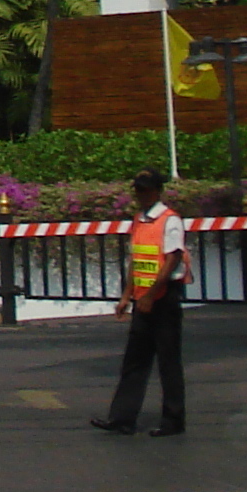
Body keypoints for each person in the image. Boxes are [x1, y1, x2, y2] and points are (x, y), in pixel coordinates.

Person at [92, 168, 187, 437]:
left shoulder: (170, 221)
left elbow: (173, 259)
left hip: (164, 297)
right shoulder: (140, 220)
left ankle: (173, 421)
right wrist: (126, 296)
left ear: (157, 191)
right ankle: (122, 419)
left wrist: (150, 295)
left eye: (145, 190)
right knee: (135, 360)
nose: (140, 195)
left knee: (168, 361)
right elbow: (137, 260)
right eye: (137, 190)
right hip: (143, 298)